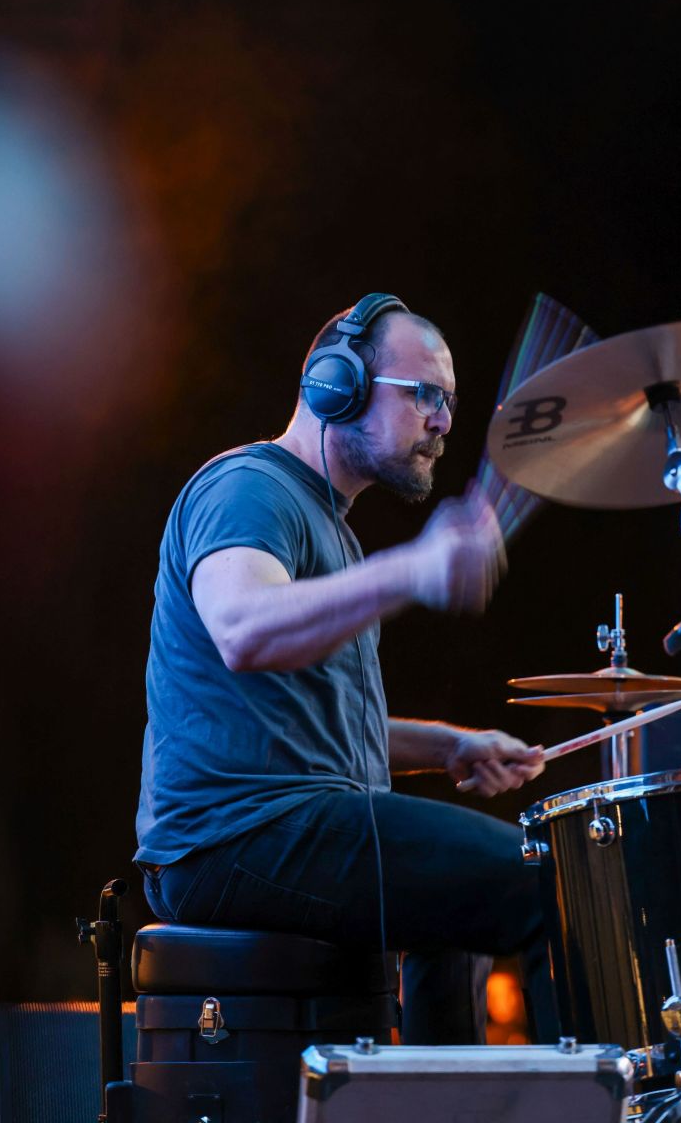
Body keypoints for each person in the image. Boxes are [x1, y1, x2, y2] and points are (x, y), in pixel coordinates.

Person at [135, 293, 553, 1043]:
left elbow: (313, 722)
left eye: (450, 403)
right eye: (424, 394)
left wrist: (449, 746)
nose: (443, 422)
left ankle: (445, 1094)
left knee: (460, 902)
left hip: (282, 824)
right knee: (543, 880)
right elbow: (243, 629)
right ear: (338, 385)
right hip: (235, 836)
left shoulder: (330, 528)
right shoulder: (249, 488)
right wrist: (414, 567)